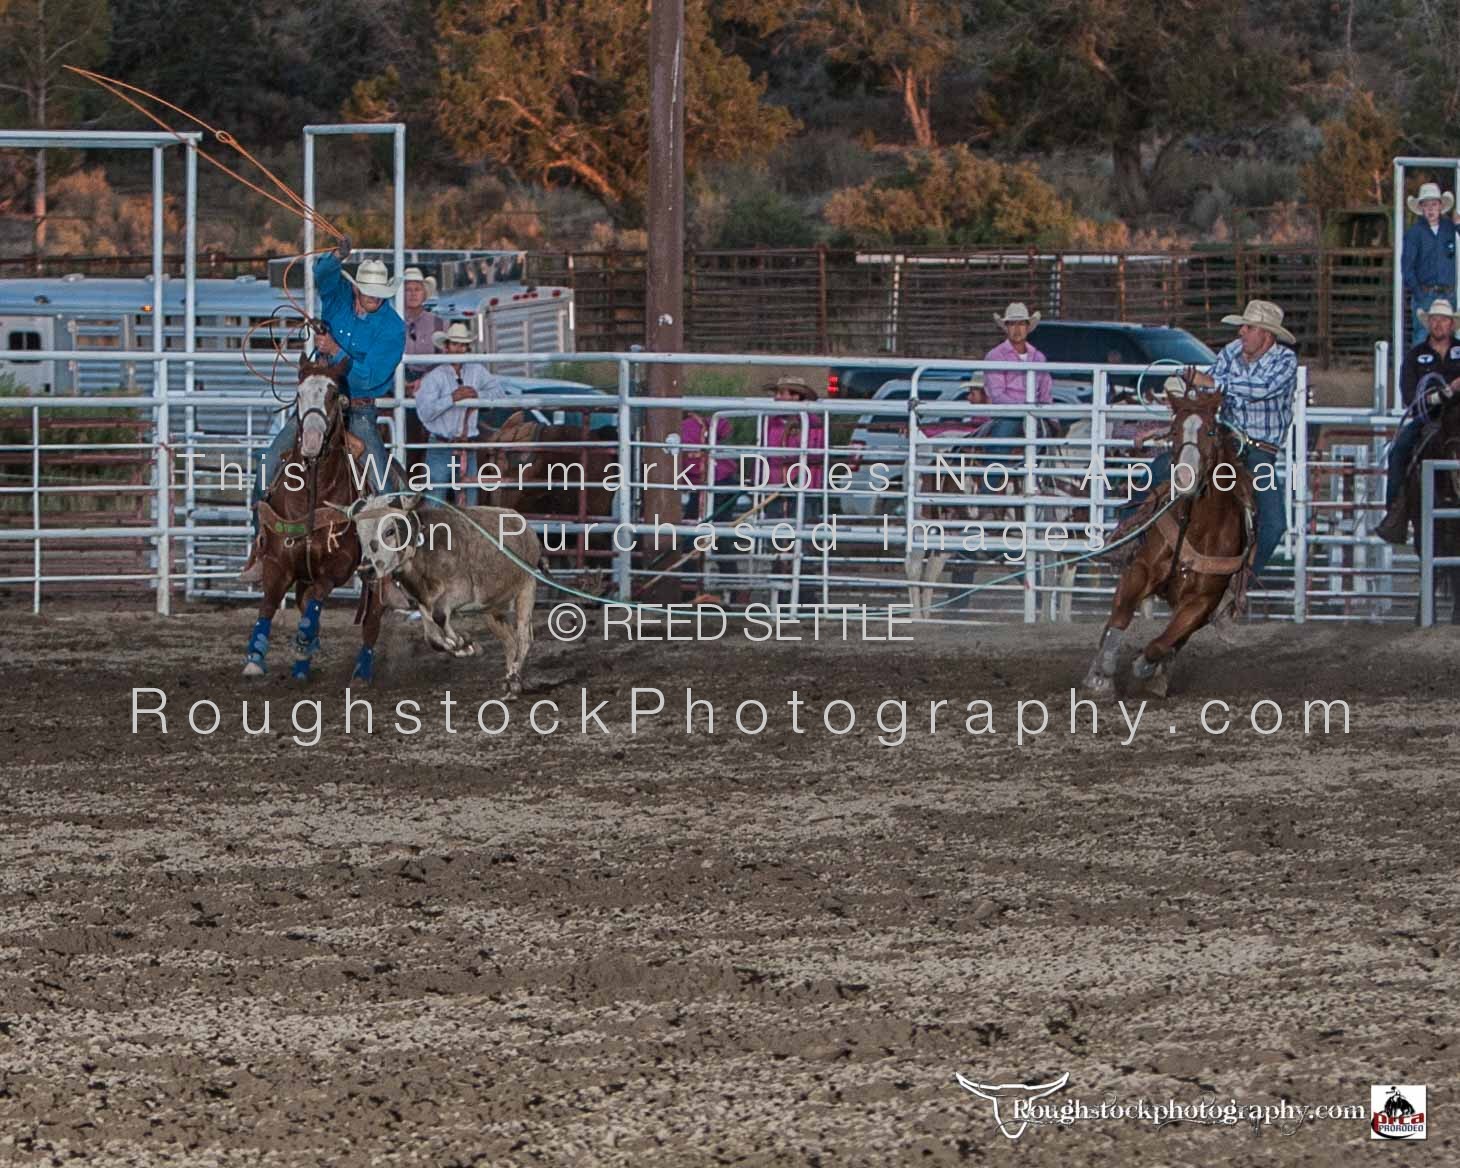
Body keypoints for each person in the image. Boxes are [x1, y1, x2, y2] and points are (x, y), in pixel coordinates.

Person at [240, 238, 406, 583]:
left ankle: (390, 567)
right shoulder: (338, 298)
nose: (374, 299)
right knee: (267, 461)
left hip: (356, 408)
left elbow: (371, 376)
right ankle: (261, 548)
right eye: (369, 292)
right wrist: (337, 255)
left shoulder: (392, 328)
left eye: (379, 294)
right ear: (357, 289)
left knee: (384, 484)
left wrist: (336, 347)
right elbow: (322, 272)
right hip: (317, 403)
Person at [1130, 299, 1298, 581]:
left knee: (1274, 523)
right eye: (1242, 327)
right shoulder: (1232, 352)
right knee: (1158, 470)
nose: (1241, 332)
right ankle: (1127, 535)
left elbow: (1259, 389)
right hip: (1223, 439)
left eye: (1248, 327)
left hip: (1259, 450)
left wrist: (1208, 382)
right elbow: (1209, 392)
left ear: (1266, 335)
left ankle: (1244, 580)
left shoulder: (1285, 360)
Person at [1375, 299, 1460, 543]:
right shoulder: (1416, 356)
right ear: (1428, 323)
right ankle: (1395, 513)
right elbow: (1411, 396)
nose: (1438, 323)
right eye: (1434, 319)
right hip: (1429, 418)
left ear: (1451, 324)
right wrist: (1444, 393)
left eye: (1443, 319)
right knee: (1399, 450)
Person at [414, 321, 505, 506]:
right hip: (441, 445)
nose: (458, 349)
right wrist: (452, 398)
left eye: (462, 345)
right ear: (446, 347)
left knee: (468, 505)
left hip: (467, 445)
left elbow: (499, 393)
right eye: (455, 344)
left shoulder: (477, 371)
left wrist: (478, 395)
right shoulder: (435, 377)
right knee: (434, 502)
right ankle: (433, 534)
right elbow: (425, 412)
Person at [982, 302, 1054, 466]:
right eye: (1012, 324)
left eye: (1021, 324)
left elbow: (1046, 392)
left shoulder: (1038, 357)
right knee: (1000, 445)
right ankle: (990, 487)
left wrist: (1049, 415)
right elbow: (997, 394)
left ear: (1028, 327)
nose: (1017, 329)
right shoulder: (995, 356)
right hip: (1008, 414)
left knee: (1048, 441)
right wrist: (1025, 408)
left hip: (1035, 414)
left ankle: (1040, 483)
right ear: (1006, 327)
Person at [1401, 182, 1460, 347]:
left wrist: (1459, 226)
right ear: (1421, 208)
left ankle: (1450, 373)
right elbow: (1407, 267)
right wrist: (1419, 293)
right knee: (1422, 336)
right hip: (1425, 293)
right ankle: (1420, 373)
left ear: (1441, 206)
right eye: (1426, 205)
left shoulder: (1451, 228)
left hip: (1449, 294)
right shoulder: (1414, 233)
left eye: (1434, 204)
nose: (1431, 209)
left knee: (1451, 341)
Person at [763, 377, 827, 514]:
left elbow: (816, 453)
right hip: (774, 486)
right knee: (774, 527)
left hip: (805, 486)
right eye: (776, 394)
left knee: (803, 524)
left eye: (781, 394)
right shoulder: (771, 422)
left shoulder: (813, 423)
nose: (776, 398)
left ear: (796, 396)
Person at [401, 266, 446, 454]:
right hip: (398, 382)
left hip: (430, 383)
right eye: (408, 289)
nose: (413, 294)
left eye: (417, 289)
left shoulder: (439, 323)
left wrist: (425, 381)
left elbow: (445, 358)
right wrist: (402, 381)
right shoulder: (392, 322)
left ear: (424, 293)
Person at [680, 410, 737, 520]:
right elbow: (724, 426)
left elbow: (689, 463)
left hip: (711, 480)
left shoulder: (683, 429)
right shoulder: (700, 422)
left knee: (694, 519)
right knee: (719, 520)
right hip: (723, 476)